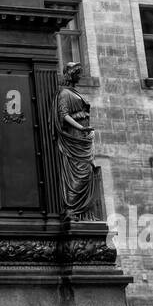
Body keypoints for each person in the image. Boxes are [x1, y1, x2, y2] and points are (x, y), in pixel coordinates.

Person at [52, 63, 97, 218]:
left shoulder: (73, 92)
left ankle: (83, 212)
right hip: (75, 137)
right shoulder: (64, 93)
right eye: (77, 73)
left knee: (88, 171)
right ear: (71, 75)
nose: (80, 76)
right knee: (80, 172)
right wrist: (81, 128)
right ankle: (71, 209)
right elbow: (63, 114)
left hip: (83, 137)